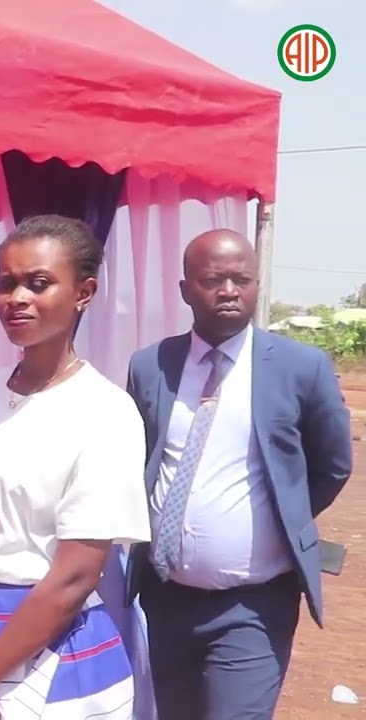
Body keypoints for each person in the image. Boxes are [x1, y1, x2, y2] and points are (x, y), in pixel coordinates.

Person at [0, 215, 149, 719]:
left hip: (52, 661)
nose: (17, 297)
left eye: (38, 283)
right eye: (7, 282)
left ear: (84, 293)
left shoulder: (105, 411)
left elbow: (75, 575)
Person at [126, 229, 352, 719]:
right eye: (213, 279)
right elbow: (140, 461)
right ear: (186, 289)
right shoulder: (151, 365)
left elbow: (332, 465)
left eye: (241, 280)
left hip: (252, 606)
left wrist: (280, 517)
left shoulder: (299, 367)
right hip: (165, 600)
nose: (229, 290)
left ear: (256, 286)